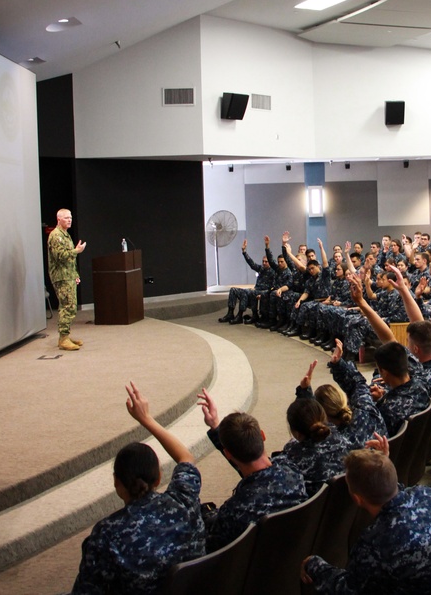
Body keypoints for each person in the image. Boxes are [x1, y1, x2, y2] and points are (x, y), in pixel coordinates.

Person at [72, 382, 203, 594]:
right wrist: (146, 419)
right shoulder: (184, 500)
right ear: (159, 477)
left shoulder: (107, 533)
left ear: (117, 483)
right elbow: (185, 458)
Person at [301, 447, 431, 595]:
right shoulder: (427, 496)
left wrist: (315, 565)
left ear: (357, 499)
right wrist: (384, 464)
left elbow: (349, 589)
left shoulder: (375, 541)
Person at [197, 390, 308, 551]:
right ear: (262, 435)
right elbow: (256, 471)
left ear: (227, 453)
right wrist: (216, 426)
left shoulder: (235, 511)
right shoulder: (293, 472)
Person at [47, 208, 86, 351]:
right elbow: (61, 256)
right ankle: (63, 338)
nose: (69, 220)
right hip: (61, 277)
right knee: (67, 306)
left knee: (71, 306)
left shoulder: (66, 235)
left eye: (70, 217)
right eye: (66, 218)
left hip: (68, 275)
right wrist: (77, 251)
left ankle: (66, 336)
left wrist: (75, 274)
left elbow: (70, 260)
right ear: (59, 219)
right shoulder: (56, 235)